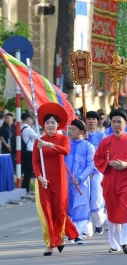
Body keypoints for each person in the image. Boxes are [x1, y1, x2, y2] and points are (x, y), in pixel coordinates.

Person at [93, 109, 127, 254]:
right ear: (111, 123)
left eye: (120, 122)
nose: (117, 124)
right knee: (113, 213)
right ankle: (115, 243)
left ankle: (126, 242)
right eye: (114, 122)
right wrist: (108, 163)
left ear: (126, 123)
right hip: (110, 182)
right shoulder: (105, 141)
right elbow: (97, 159)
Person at [32, 103, 79, 256]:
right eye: (47, 123)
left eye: (53, 122)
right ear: (43, 125)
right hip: (44, 181)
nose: (50, 125)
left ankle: (60, 237)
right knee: (46, 212)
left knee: (59, 211)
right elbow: (35, 162)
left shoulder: (64, 139)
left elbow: (66, 151)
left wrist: (50, 145)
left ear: (58, 125)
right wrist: (40, 177)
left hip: (59, 180)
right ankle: (49, 244)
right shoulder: (38, 141)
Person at [65, 119, 96, 244]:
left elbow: (91, 165)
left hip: (81, 182)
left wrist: (80, 178)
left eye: (73, 129)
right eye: (70, 129)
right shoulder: (66, 144)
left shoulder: (88, 146)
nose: (70, 131)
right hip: (67, 180)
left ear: (81, 131)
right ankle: (72, 232)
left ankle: (78, 233)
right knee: (69, 206)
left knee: (81, 206)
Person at [84, 111, 107, 234]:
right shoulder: (81, 136)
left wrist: (94, 169)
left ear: (97, 121)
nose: (91, 121)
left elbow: (103, 156)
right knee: (84, 199)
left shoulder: (102, 137)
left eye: (94, 119)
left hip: (97, 171)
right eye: (89, 119)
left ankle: (99, 222)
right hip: (83, 174)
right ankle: (86, 228)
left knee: (96, 198)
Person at [20, 112, 39, 194]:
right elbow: (38, 137)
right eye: (30, 118)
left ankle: (25, 188)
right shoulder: (27, 129)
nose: (31, 120)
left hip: (26, 151)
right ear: (27, 119)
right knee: (28, 171)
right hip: (29, 151)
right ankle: (26, 189)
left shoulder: (22, 128)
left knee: (27, 171)